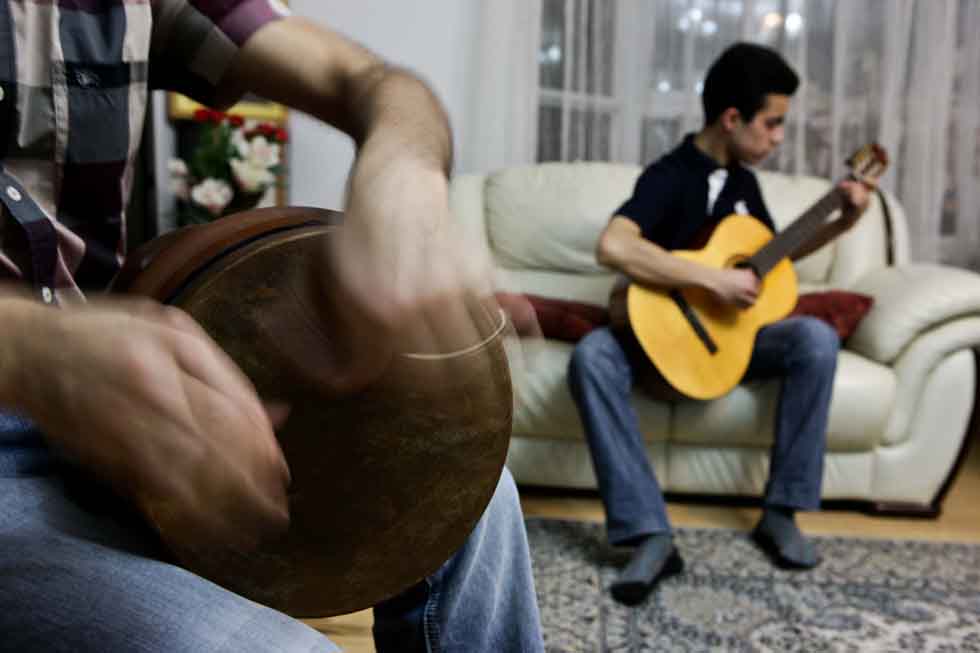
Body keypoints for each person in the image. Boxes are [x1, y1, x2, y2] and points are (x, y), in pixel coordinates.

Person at [0, 2, 543, 651]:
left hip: (108, 407)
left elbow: (372, 81)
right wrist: (33, 350)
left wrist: (403, 168)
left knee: (470, 490)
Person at [567, 42, 873, 605]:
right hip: (654, 340)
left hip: (727, 344)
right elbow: (614, 244)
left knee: (815, 337)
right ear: (732, 119)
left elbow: (768, 260)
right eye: (773, 124)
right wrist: (709, 280)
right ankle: (648, 533)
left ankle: (781, 512)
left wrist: (840, 222)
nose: (779, 138)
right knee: (591, 357)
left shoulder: (745, 186)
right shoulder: (670, 175)